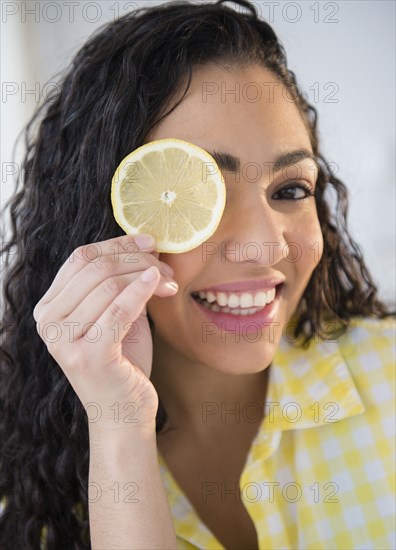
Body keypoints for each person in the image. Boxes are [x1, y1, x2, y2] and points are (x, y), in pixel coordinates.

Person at [0, 0, 394, 548]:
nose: (264, 243)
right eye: (201, 196)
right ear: (99, 221)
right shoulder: (24, 481)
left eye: (290, 190)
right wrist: (119, 426)